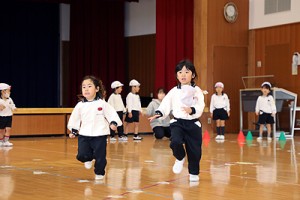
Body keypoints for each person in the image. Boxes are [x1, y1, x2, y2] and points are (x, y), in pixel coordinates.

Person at [149, 60, 205, 182]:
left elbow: (201, 105)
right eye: (180, 72)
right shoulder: (174, 91)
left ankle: (194, 173)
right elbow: (165, 104)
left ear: (193, 75)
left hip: (193, 124)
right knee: (175, 142)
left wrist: (193, 109)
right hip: (178, 123)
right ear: (177, 75)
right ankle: (180, 157)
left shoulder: (197, 90)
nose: (183, 75)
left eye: (186, 72)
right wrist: (159, 113)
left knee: (195, 150)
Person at [67, 75, 122, 180]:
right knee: (81, 155)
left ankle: (100, 173)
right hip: (84, 134)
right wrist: (74, 130)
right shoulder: (80, 105)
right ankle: (88, 158)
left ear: (97, 89)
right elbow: (75, 118)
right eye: (84, 87)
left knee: (100, 156)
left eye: (89, 86)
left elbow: (111, 114)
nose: (86, 89)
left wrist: (113, 123)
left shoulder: (102, 104)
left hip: (100, 135)